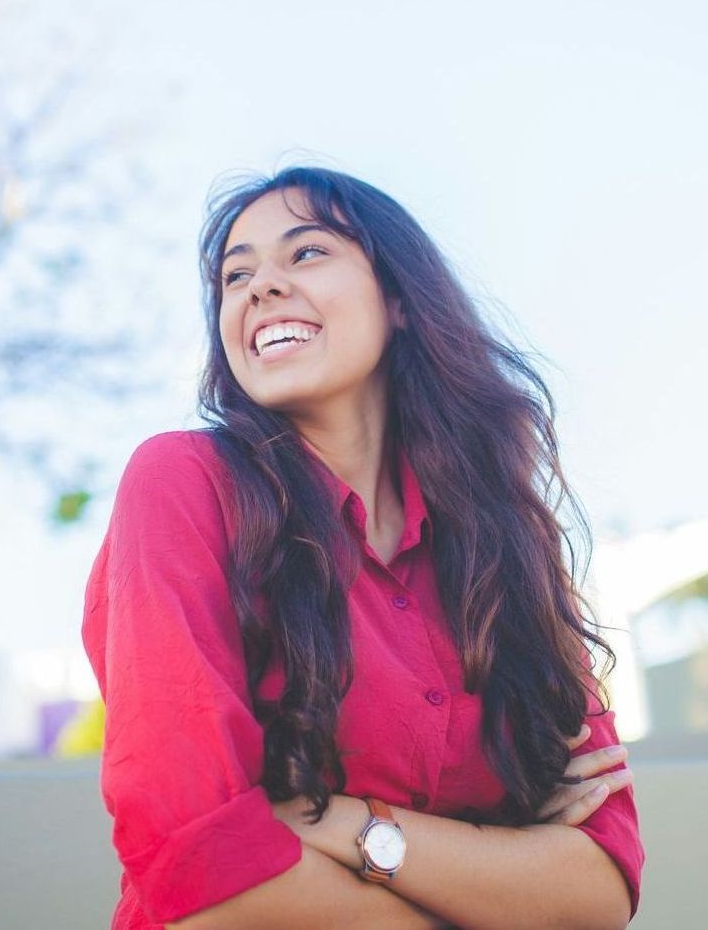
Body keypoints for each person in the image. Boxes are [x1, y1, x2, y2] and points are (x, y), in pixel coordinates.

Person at [81, 166, 644, 930]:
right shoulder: (182, 483)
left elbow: (601, 888)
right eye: (235, 274)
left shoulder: (509, 544)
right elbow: (201, 875)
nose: (260, 287)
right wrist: (496, 872)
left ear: (401, 299)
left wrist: (341, 824)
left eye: (305, 253)